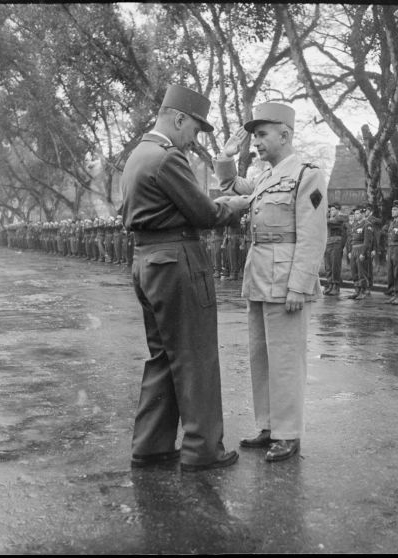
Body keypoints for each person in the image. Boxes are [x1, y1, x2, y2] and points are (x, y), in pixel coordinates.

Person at [121, 84, 249, 472]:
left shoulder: (138, 155)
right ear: (177, 119)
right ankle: (203, 450)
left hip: (147, 261)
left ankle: (152, 445)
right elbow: (205, 214)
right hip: (177, 262)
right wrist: (235, 204)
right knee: (196, 356)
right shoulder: (167, 157)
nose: (194, 139)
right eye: (194, 129)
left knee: (163, 356)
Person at [214, 102, 327, 462]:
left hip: (285, 278)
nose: (257, 142)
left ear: (285, 134)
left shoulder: (307, 174)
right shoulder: (265, 176)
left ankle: (288, 433)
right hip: (260, 274)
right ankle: (268, 425)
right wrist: (226, 156)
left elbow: (313, 235)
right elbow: (232, 184)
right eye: (255, 136)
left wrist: (300, 285)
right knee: (261, 356)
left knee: (287, 358)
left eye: (262, 135)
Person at [346, 205, 373, 300]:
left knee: (362, 271)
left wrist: (363, 253)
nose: (356, 215)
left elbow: (367, 241)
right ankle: (357, 290)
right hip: (353, 249)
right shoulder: (355, 225)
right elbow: (351, 239)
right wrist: (349, 251)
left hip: (361, 249)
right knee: (354, 271)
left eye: (358, 213)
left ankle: (363, 290)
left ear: (362, 214)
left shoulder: (367, 224)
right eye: (355, 213)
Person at [323, 202, 347, 296]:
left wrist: (324, 218)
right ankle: (330, 284)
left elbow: (332, 222)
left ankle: (336, 286)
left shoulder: (340, 218)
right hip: (328, 243)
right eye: (331, 209)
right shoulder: (329, 219)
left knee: (335, 266)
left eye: (333, 209)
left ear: (338, 210)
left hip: (336, 244)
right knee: (328, 266)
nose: (331, 211)